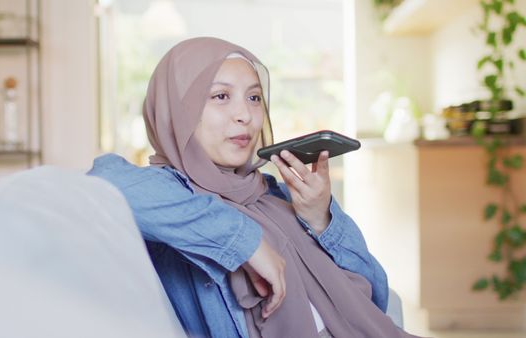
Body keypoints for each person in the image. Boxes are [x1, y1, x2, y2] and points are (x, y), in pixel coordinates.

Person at [88, 37, 420, 338]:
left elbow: (376, 293)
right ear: (178, 111)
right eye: (220, 96)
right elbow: (103, 182)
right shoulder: (172, 197)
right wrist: (245, 243)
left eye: (254, 97)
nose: (245, 114)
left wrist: (321, 221)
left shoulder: (273, 193)